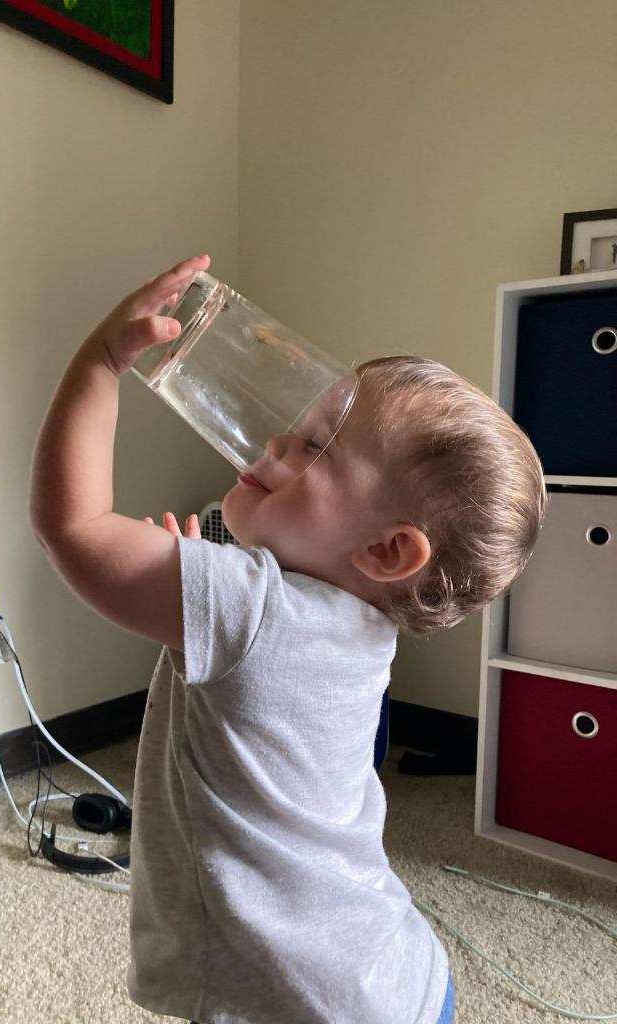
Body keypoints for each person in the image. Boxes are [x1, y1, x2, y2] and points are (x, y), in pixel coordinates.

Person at [29, 254, 546, 1024]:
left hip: (295, 1001)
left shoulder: (253, 611)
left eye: (314, 447)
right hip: (390, 979)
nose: (272, 443)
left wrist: (101, 361)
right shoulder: (357, 622)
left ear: (387, 551)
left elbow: (73, 528)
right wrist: (203, 581)